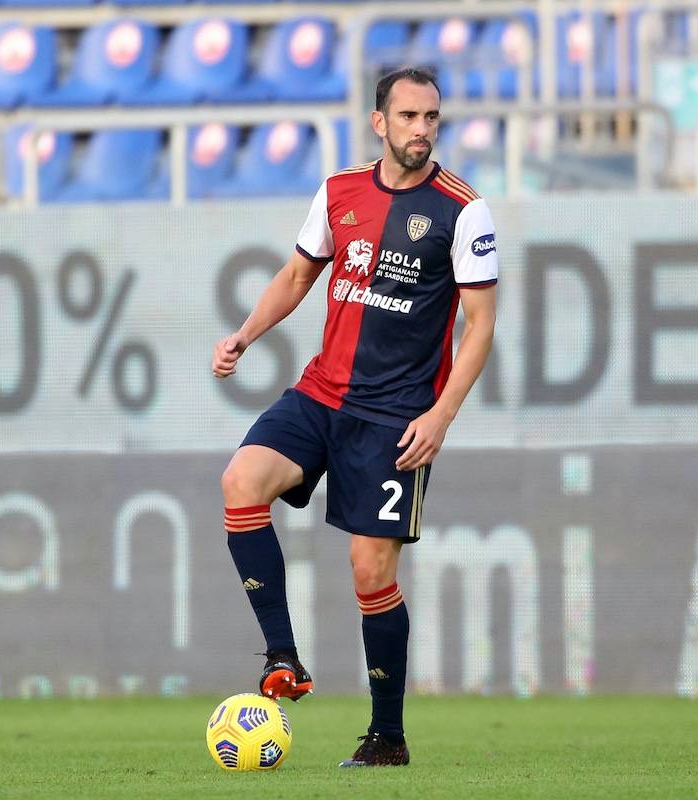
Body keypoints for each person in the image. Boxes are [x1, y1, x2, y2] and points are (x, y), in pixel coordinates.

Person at [211, 66, 498, 768]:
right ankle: (282, 657)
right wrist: (244, 335)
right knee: (241, 482)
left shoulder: (464, 210)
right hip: (322, 394)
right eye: (408, 116)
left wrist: (442, 416)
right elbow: (297, 276)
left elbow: (481, 324)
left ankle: (387, 738)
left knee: (370, 569)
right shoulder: (339, 191)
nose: (422, 130)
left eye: (431, 117)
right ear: (379, 122)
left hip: (396, 415)